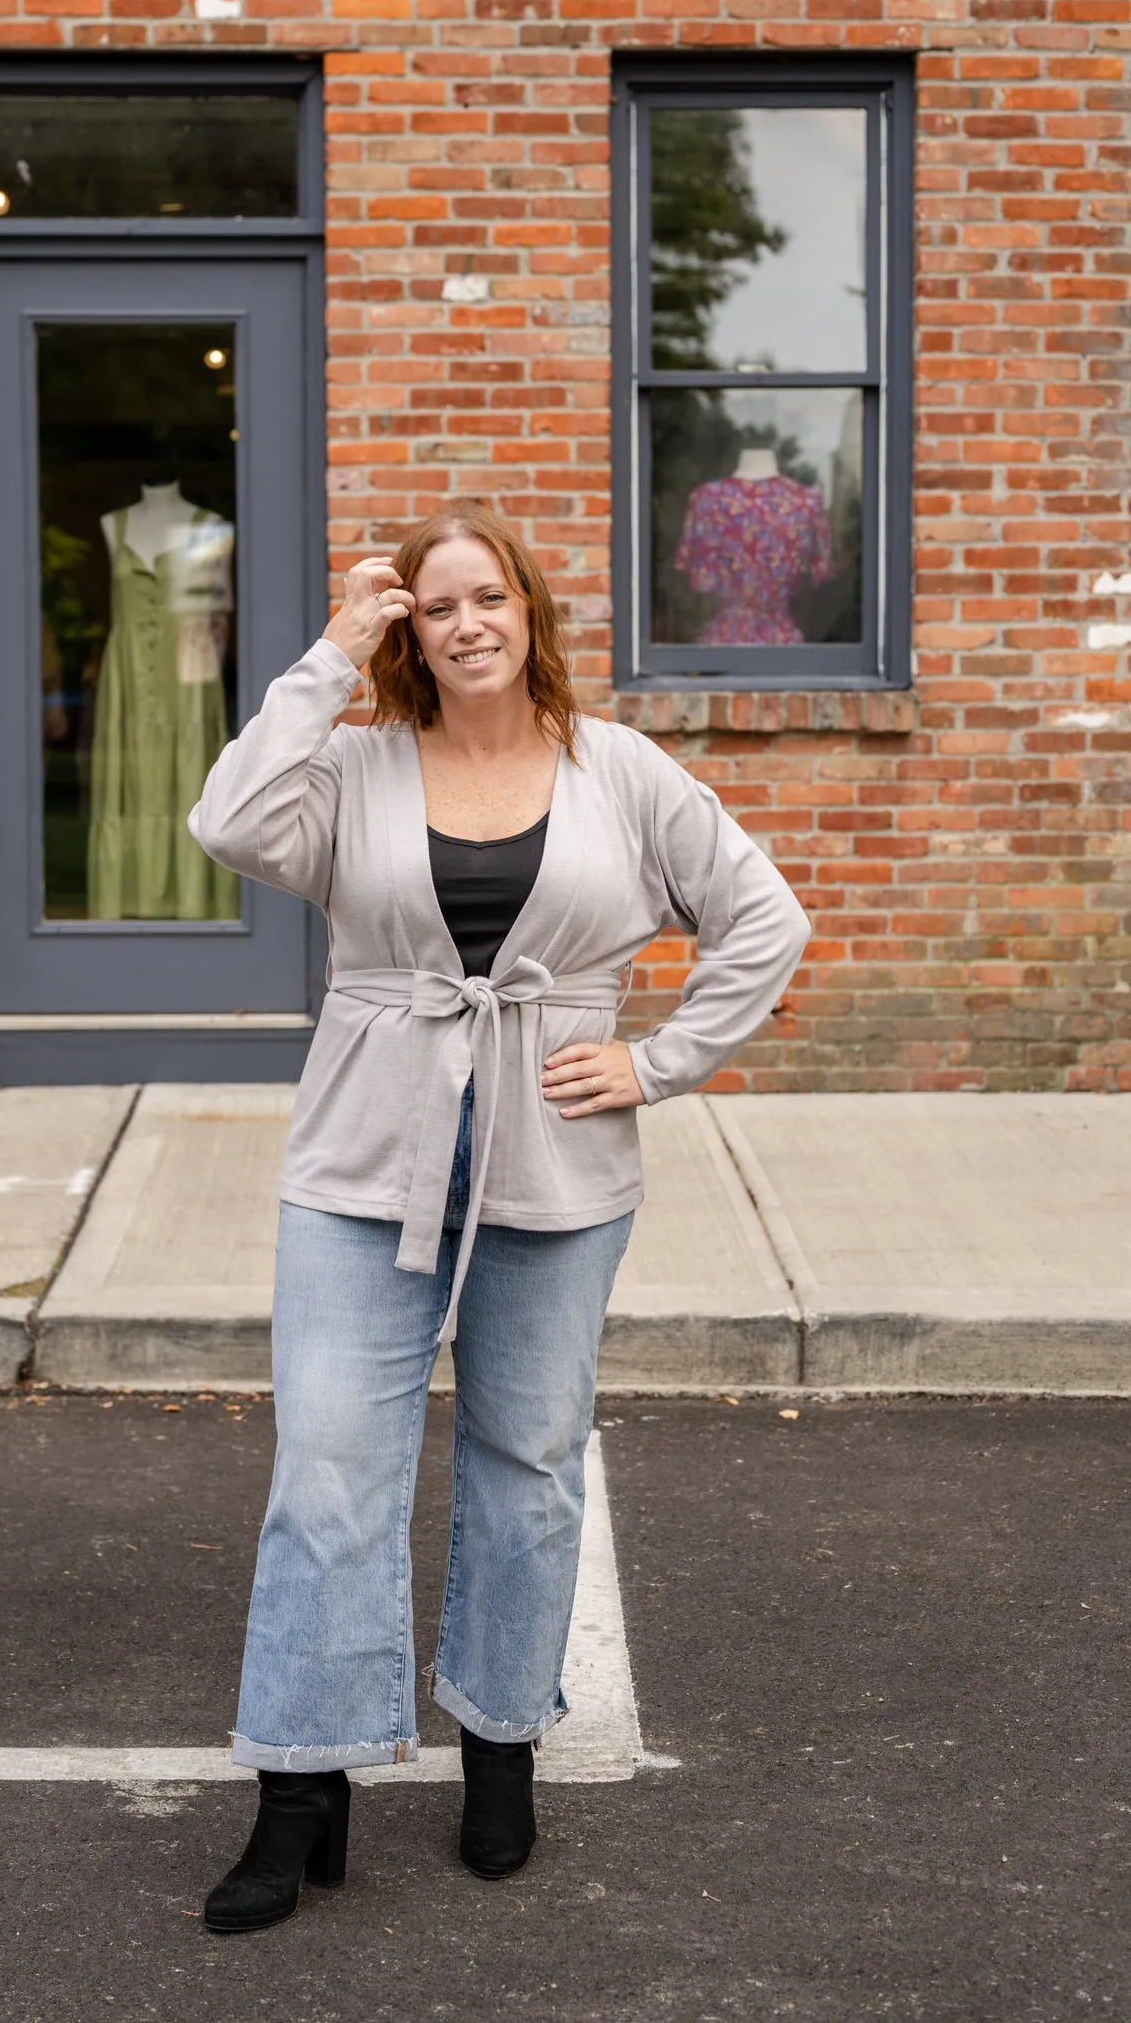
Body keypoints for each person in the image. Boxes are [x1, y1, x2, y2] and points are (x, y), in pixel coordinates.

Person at [187, 501, 810, 1933]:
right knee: (330, 1470)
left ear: (530, 610)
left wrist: (656, 1061)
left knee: (525, 1458)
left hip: (558, 1167)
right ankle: (301, 1789)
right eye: (435, 604)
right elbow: (226, 819)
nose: (467, 623)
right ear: (410, 625)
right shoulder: (351, 767)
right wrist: (335, 651)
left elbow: (763, 917)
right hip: (363, 1160)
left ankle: (502, 1748)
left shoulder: (620, 772)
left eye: (489, 598)